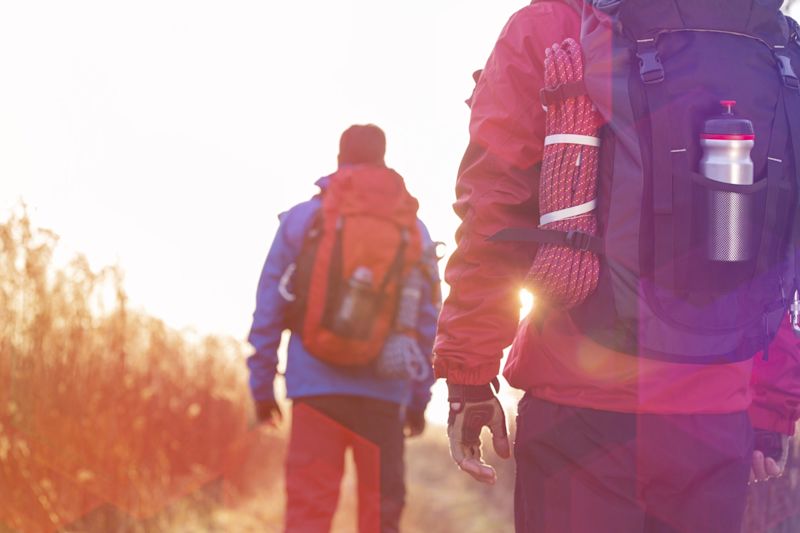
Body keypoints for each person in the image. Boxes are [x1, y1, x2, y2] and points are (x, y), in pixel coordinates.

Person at [435, 1, 800, 532]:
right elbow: (782, 241)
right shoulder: (773, 40)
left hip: (578, 407)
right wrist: (771, 402)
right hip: (716, 417)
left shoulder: (556, 25)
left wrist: (469, 372)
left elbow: (494, 206)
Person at [247, 124, 440, 533]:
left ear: (339, 161)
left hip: (315, 390)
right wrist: (418, 398)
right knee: (380, 518)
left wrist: (262, 388)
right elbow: (427, 320)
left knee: (309, 515)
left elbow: (269, 306)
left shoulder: (305, 218)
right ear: (384, 161)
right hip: (384, 394)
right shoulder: (413, 229)